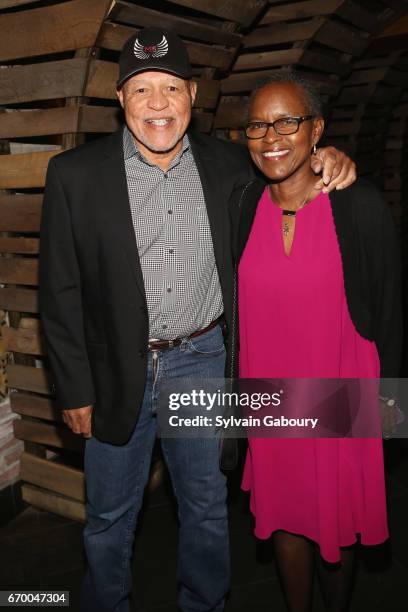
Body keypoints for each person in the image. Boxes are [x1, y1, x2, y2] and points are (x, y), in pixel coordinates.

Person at [39, 28, 356, 612]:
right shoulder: (73, 175)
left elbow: (292, 173)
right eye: (141, 90)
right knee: (109, 515)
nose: (157, 104)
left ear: (192, 92)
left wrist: (327, 158)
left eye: (169, 88)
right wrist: (74, 388)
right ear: (119, 99)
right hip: (114, 370)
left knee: (206, 507)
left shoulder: (232, 164)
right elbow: (58, 291)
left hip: (202, 360)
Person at [228, 71, 402, 612]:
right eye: (258, 124)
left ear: (316, 129)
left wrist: (391, 407)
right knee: (283, 514)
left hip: (341, 393)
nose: (272, 136)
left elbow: (391, 311)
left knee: (335, 519)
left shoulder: (360, 206)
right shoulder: (240, 204)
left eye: (287, 121)